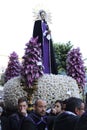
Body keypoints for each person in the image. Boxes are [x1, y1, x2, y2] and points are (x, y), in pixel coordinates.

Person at [33, 10, 58, 74]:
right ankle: (42, 71)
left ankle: (49, 71)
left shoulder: (46, 23)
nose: (43, 16)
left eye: (44, 15)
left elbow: (48, 34)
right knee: (42, 56)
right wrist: (43, 34)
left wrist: (48, 33)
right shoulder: (37, 23)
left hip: (47, 43)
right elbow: (36, 33)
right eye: (42, 15)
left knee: (48, 57)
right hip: (41, 43)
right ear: (40, 15)